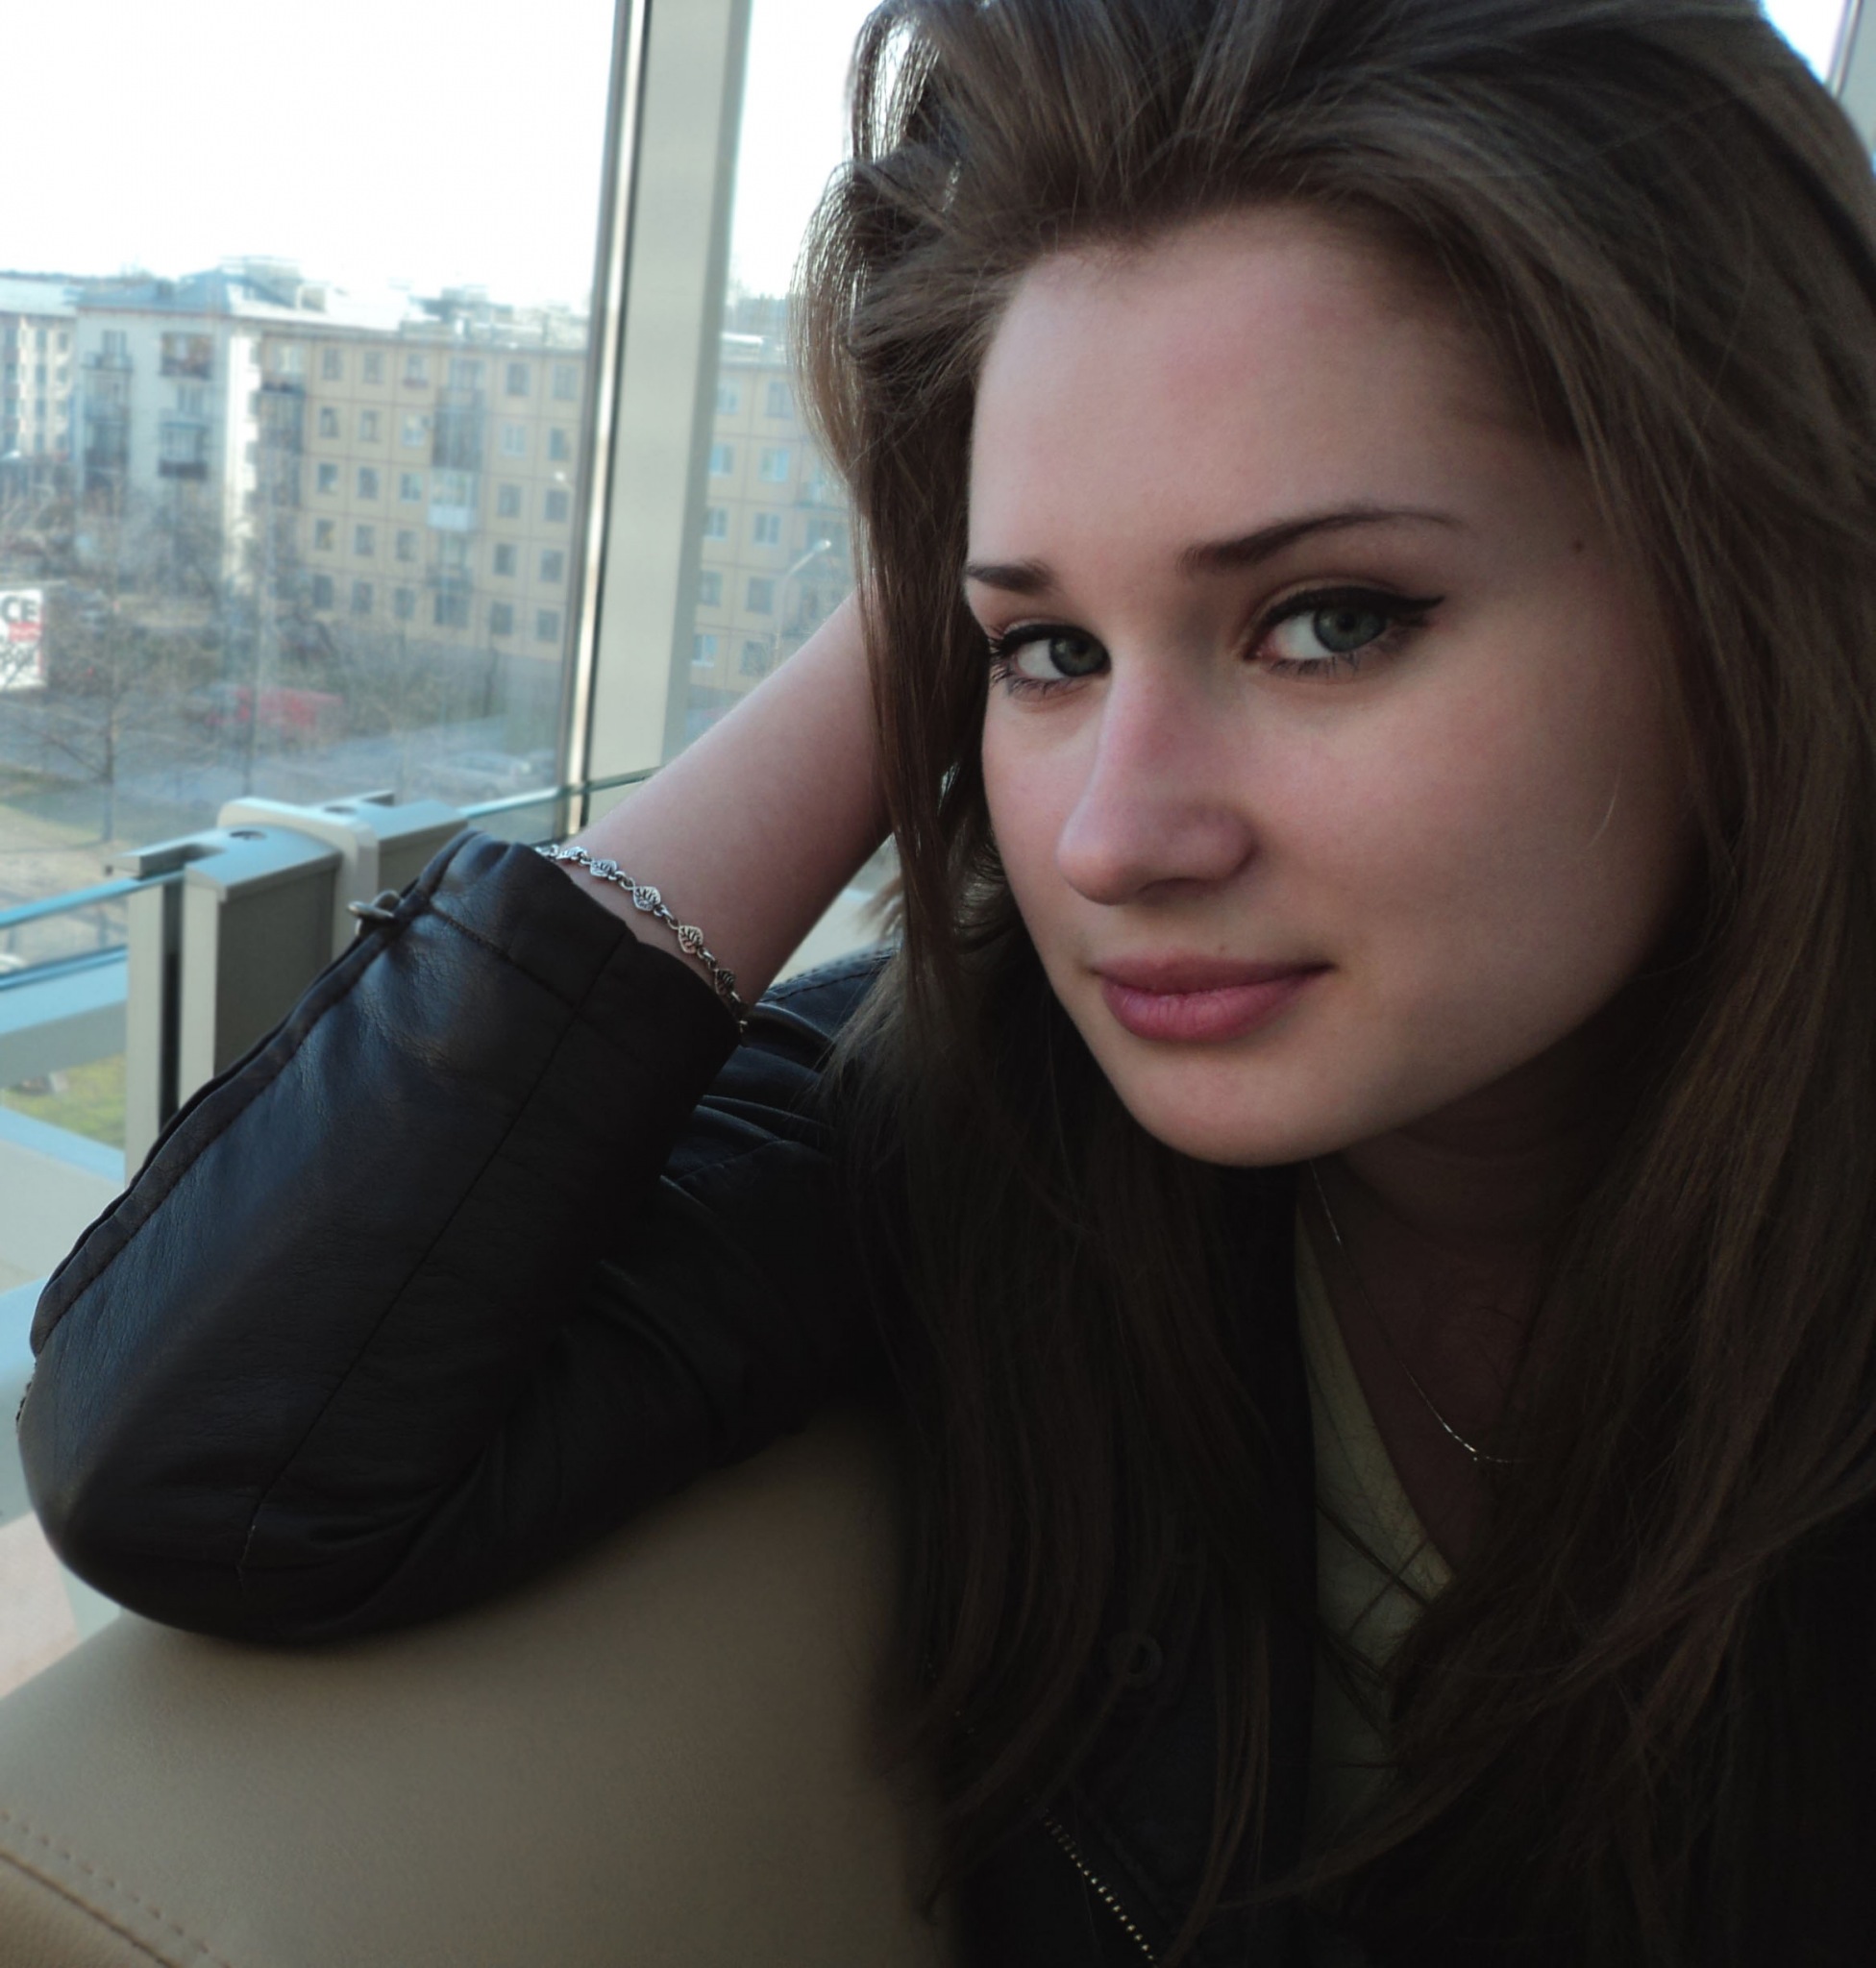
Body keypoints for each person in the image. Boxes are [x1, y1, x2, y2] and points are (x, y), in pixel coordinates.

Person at [19, 0, 1876, 1959]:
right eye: (1047, 655)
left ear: (1756, 605)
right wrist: (944, 577)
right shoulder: (995, 1124)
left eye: (1331, 621)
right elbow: (193, 1457)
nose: (1115, 841)